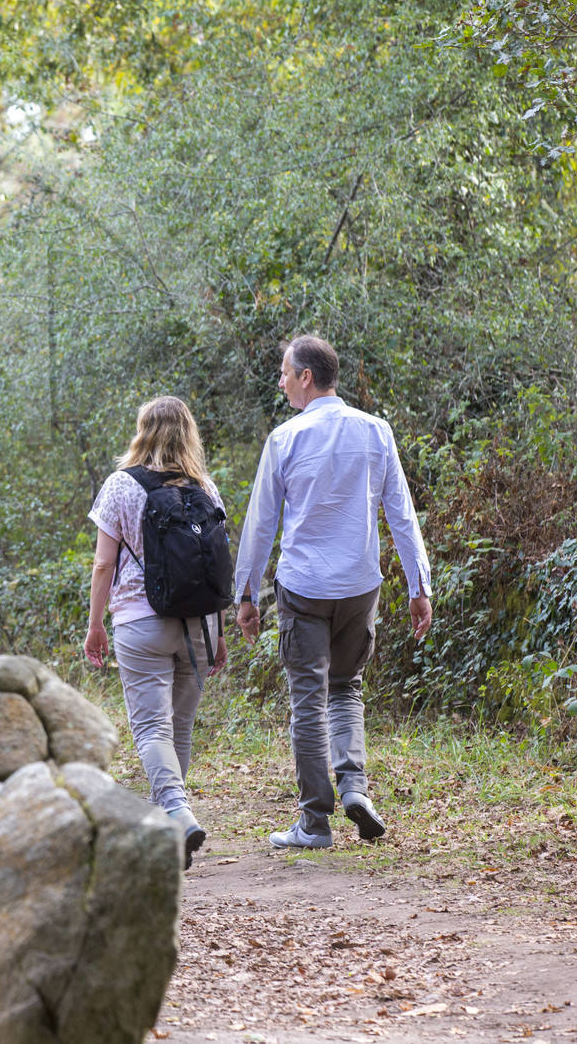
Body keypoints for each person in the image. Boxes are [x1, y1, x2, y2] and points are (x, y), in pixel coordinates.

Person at [234, 335, 433, 850]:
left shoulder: (284, 439)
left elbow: (260, 525)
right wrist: (419, 586)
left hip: (303, 586)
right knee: (345, 688)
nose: (280, 382)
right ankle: (354, 788)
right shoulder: (376, 431)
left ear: (306, 377)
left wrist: (246, 594)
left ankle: (315, 822)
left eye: (284, 373)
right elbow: (401, 514)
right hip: (359, 584)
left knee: (308, 699)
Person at [85, 395, 228, 869]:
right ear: (189, 433)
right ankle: (170, 824)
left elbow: (105, 563)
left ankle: (176, 811)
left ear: (142, 430)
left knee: (150, 728)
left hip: (140, 623)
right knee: (179, 728)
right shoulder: (205, 487)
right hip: (200, 626)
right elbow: (217, 562)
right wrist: (220, 632)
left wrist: (95, 625)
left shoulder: (121, 485)